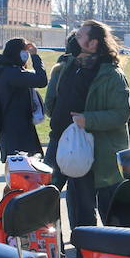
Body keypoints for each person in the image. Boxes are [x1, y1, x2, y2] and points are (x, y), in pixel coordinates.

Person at [50, 20, 130, 241]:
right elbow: (57, 99)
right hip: (68, 146)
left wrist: (89, 120)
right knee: (75, 209)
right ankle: (82, 257)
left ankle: (110, 255)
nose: (75, 38)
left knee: (105, 211)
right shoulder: (69, 65)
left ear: (93, 43)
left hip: (99, 154)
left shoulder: (111, 75)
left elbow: (122, 113)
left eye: (80, 36)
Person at [0, 37, 47, 161]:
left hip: (9, 128)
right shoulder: (12, 73)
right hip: (18, 130)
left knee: (17, 171)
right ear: (17, 52)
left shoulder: (2, 70)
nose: (26, 53)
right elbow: (41, 80)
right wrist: (35, 56)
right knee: (23, 172)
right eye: (24, 50)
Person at [42, 33, 81, 169]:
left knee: (49, 177)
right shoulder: (93, 68)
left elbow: (50, 99)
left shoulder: (60, 68)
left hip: (60, 124)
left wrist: (54, 114)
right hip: (79, 130)